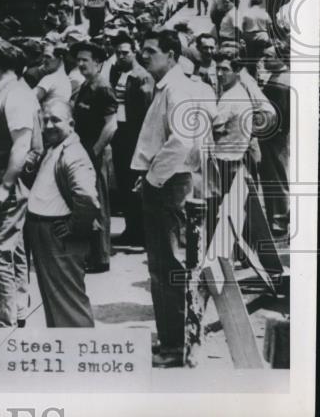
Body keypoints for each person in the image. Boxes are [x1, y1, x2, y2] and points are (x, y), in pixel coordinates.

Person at [133, 29, 214, 367]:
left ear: (170, 54)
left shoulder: (177, 88)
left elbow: (182, 140)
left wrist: (152, 179)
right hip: (165, 182)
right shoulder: (168, 86)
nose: (143, 56)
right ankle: (169, 340)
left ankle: (176, 347)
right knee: (161, 267)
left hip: (169, 184)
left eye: (150, 51)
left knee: (170, 268)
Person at [0, 41, 40, 327]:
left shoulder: (14, 95)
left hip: (3, 180)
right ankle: (18, 307)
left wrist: (5, 185)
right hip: (1, 177)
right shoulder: (11, 91)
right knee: (12, 247)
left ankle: (4, 320)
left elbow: (22, 144)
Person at [22, 98, 100, 327]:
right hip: (45, 233)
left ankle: (79, 356)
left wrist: (74, 228)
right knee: (56, 302)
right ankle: (66, 353)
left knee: (68, 304)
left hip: (58, 236)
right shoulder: (55, 148)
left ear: (71, 124)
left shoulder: (73, 154)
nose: (48, 126)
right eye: (44, 120)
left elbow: (87, 198)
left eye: (55, 120)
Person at [70, 40, 118, 273]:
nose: (80, 64)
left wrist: (95, 152)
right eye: (78, 60)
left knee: (97, 203)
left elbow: (111, 126)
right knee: (88, 202)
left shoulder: (102, 87)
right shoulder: (86, 86)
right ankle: (91, 253)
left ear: (98, 63)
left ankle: (101, 258)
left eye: (85, 60)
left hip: (94, 152)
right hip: (84, 151)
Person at [108, 34, 154, 248]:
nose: (121, 56)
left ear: (134, 51)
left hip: (133, 135)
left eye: (125, 52)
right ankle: (130, 228)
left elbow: (146, 112)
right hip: (121, 134)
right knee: (124, 183)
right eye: (118, 53)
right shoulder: (118, 72)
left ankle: (141, 233)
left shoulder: (141, 76)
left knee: (134, 184)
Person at [206, 46, 253, 235]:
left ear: (236, 71)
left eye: (225, 69)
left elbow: (213, 127)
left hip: (226, 161)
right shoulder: (237, 91)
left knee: (218, 211)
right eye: (217, 69)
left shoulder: (231, 97)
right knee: (232, 211)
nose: (219, 73)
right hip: (234, 158)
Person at [259, 41, 291, 236]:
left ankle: (278, 220)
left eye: (269, 56)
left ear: (280, 58)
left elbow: (278, 116)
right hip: (277, 138)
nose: (265, 59)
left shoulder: (279, 83)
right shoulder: (281, 78)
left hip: (273, 139)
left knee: (275, 178)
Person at [35, 40, 72, 106]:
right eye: (44, 56)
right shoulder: (65, 78)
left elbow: (31, 98)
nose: (44, 60)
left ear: (60, 58)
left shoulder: (50, 79)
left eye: (48, 57)